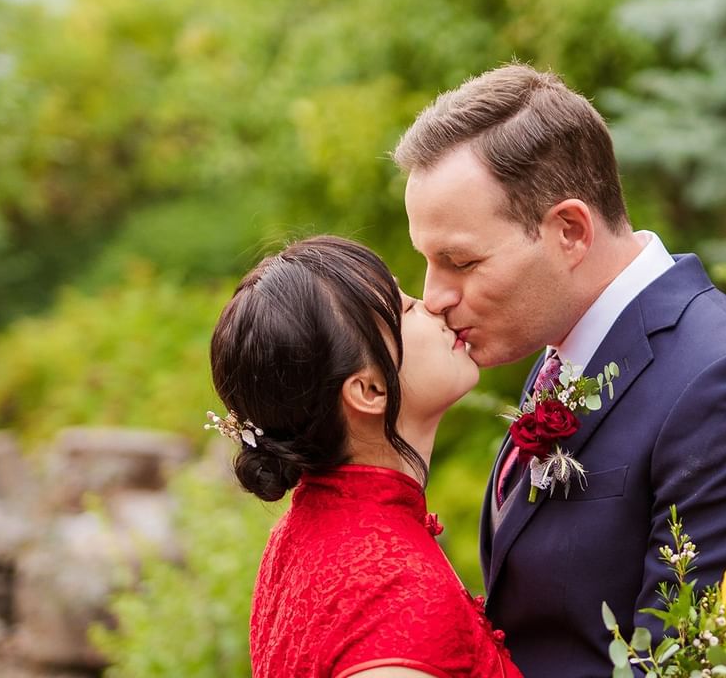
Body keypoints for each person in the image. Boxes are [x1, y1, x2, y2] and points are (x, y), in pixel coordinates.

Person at [394, 64, 726, 677]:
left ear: (569, 231)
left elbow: (696, 663)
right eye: (428, 262)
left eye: (460, 261)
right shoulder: (562, 358)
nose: (435, 296)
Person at [208, 236, 521, 678]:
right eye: (407, 309)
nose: (433, 305)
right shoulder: (396, 587)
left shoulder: (297, 536)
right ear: (370, 390)